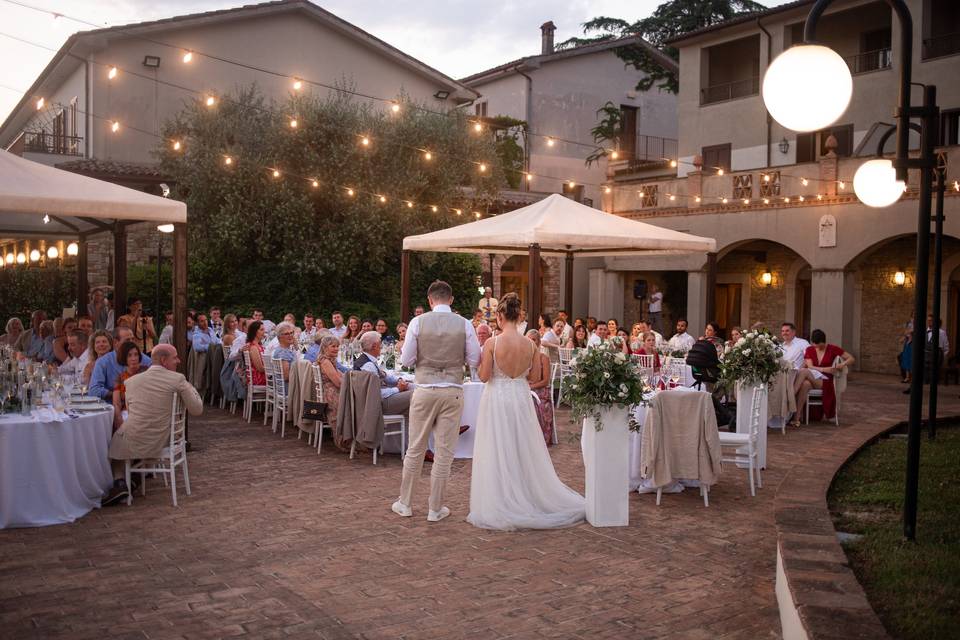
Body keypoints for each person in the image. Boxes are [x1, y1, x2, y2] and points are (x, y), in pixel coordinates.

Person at [467, 292, 585, 530]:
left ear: (500, 316)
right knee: (521, 446)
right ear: (519, 315)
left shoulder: (492, 343)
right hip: (520, 396)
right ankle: (525, 493)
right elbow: (533, 377)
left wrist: (479, 363)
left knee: (497, 445)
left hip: (497, 398)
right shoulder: (530, 344)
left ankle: (503, 497)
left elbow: (484, 376)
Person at [394, 280, 481, 522]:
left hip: (424, 389)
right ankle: (435, 509)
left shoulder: (417, 322)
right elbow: (475, 359)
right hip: (452, 390)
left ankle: (405, 503)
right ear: (451, 299)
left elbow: (407, 360)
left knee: (415, 448)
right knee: (444, 452)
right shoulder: (464, 324)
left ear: (430, 300)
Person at [102, 344, 203, 505]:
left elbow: (129, 409)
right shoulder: (177, 379)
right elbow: (197, 409)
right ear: (164, 360)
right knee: (133, 437)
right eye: (175, 357)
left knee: (117, 439)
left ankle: (120, 482)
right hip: (163, 439)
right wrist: (190, 387)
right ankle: (133, 480)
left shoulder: (131, 382)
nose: (178, 360)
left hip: (134, 438)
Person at [794, 329, 854, 423]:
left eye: (818, 345)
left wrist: (842, 364)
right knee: (805, 384)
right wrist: (825, 369)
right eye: (814, 344)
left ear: (823, 342)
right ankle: (796, 418)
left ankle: (792, 393)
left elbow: (851, 358)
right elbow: (810, 366)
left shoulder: (832, 348)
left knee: (804, 371)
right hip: (813, 377)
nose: (816, 347)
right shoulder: (810, 349)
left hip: (825, 381)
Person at [355, 331, 412, 416]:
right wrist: (397, 389)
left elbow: (384, 376)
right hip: (377, 404)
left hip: (376, 400)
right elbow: (376, 393)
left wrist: (399, 380)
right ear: (374, 346)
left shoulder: (367, 359)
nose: (381, 346)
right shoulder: (368, 366)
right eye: (380, 343)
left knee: (412, 387)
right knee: (418, 394)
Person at [88, 327, 153, 401]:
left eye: (133, 339)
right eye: (127, 340)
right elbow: (94, 390)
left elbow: (155, 377)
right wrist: (117, 394)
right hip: (113, 407)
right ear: (116, 342)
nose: (131, 343)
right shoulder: (103, 362)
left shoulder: (142, 358)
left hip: (139, 404)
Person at [525, 330, 555, 446]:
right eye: (529, 339)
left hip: (540, 390)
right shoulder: (522, 358)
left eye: (534, 339)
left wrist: (530, 387)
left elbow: (545, 381)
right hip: (525, 388)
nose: (531, 342)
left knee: (534, 402)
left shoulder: (544, 358)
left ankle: (539, 440)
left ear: (538, 342)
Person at [315, 335, 345, 446]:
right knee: (354, 401)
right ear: (325, 347)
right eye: (333, 346)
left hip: (330, 390)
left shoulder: (329, 360)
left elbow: (340, 376)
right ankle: (345, 440)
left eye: (337, 346)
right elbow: (337, 382)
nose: (336, 349)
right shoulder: (325, 361)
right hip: (330, 394)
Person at [112, 342, 147, 431]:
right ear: (124, 358)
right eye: (129, 355)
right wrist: (118, 418)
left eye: (136, 355)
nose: (133, 358)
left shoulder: (146, 372)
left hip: (145, 412)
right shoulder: (120, 378)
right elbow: (116, 403)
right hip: (127, 413)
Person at [271, 322, 299, 393]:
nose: (290, 335)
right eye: (286, 334)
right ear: (279, 337)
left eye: (291, 333)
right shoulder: (283, 352)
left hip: (286, 387)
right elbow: (286, 377)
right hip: (288, 389)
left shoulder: (284, 349)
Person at [243, 321, 267, 386]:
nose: (264, 332)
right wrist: (273, 368)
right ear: (255, 332)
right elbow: (260, 368)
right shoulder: (253, 347)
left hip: (261, 377)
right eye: (261, 330)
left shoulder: (258, 345)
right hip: (259, 379)